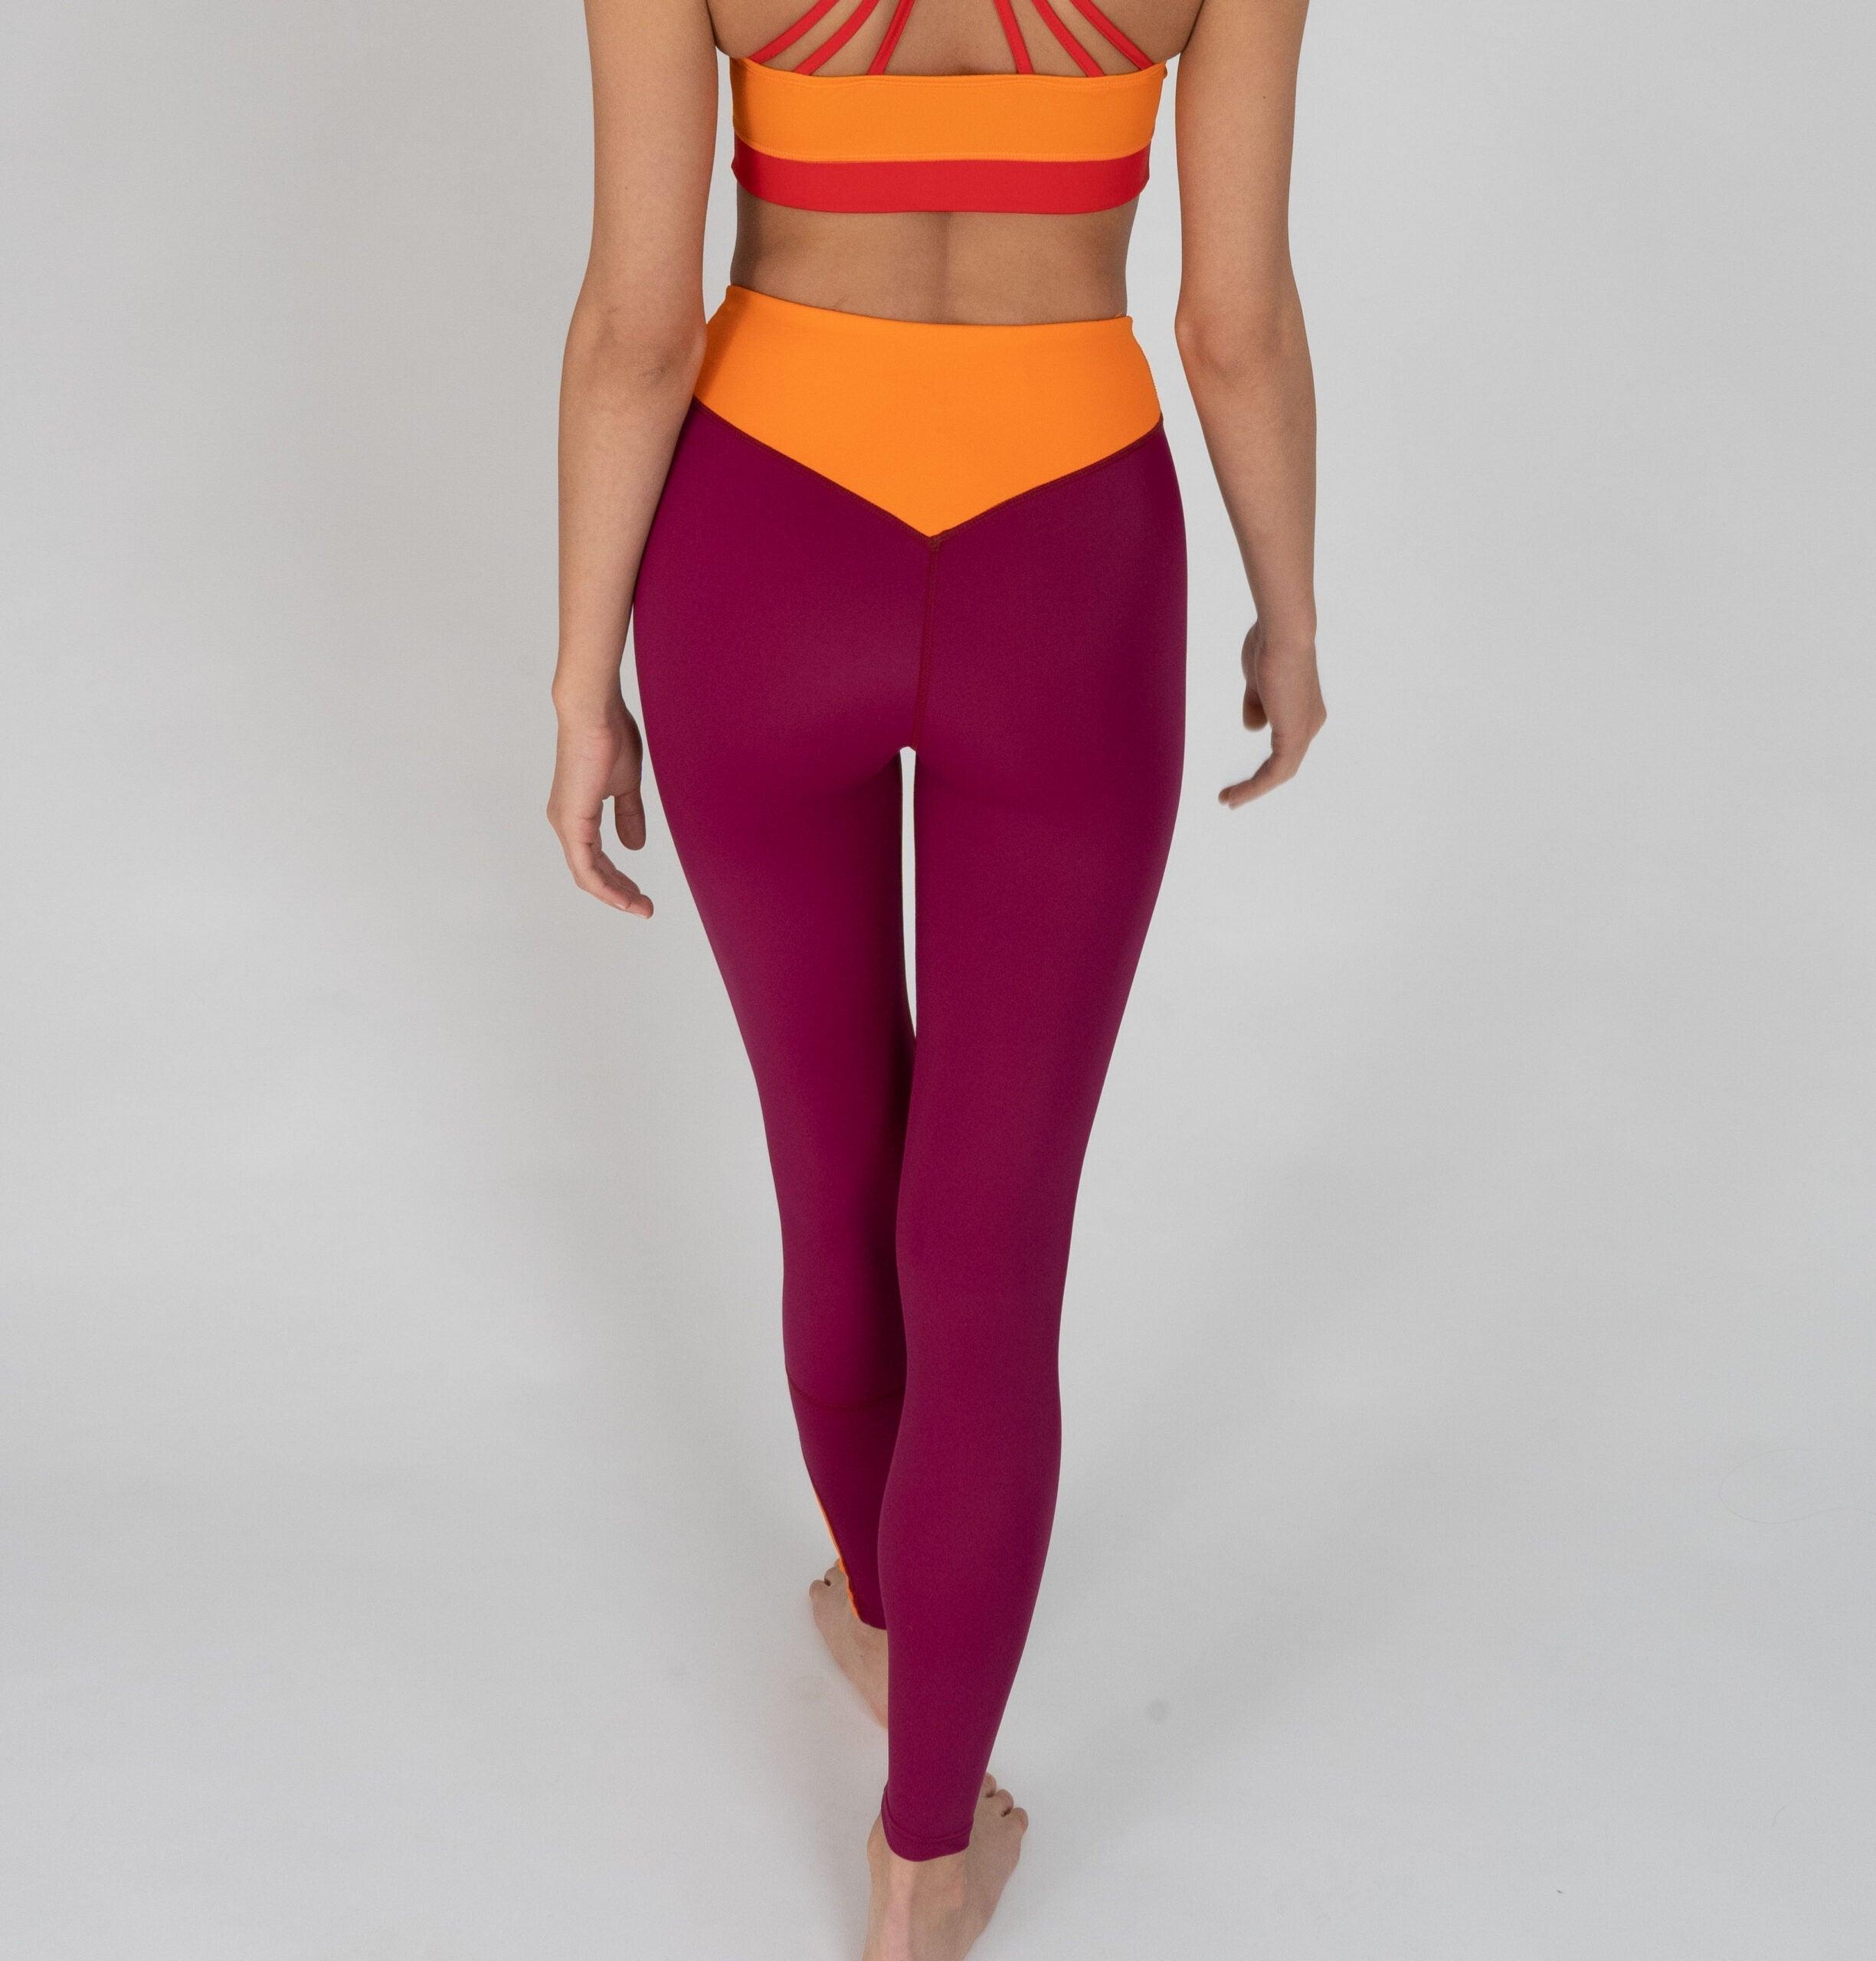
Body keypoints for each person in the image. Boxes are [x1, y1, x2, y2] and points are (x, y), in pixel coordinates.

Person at [546, 0, 1324, 1952]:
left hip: (760, 553)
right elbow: (1232, 326)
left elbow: (637, 326)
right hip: (1066, 571)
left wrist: (577, 680)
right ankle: (922, 1861)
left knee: (835, 1170)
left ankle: (900, 1618)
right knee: (988, 1247)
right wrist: (1287, 611)